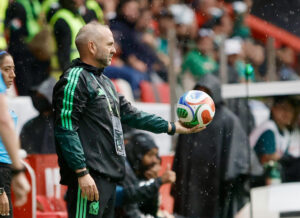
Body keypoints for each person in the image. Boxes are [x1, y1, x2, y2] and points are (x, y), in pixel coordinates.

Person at [52, 21, 204, 218]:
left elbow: (133, 114)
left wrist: (172, 127)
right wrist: (81, 172)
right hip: (90, 178)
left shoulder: (104, 81)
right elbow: (65, 127)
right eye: (109, 44)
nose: (114, 50)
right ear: (91, 46)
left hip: (109, 178)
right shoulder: (75, 78)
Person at [172, 74, 261, 218]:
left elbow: (240, 160)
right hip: (191, 185)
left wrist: (230, 179)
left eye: (206, 93)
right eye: (199, 93)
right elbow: (180, 157)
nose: (202, 97)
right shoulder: (189, 118)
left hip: (216, 187)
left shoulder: (228, 120)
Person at [115, 132, 176, 217]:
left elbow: (151, 211)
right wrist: (158, 182)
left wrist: (153, 182)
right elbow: (131, 212)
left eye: (156, 155)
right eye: (150, 155)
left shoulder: (141, 170)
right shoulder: (124, 171)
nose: (155, 160)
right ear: (137, 155)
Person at [0, 52, 30, 216]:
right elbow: (4, 122)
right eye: (6, 69)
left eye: (13, 69)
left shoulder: (3, 98)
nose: (13, 74)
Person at [20, 77, 56, 154]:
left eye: (41, 96)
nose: (37, 99)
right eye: (36, 97)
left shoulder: (65, 124)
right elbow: (26, 150)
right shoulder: (30, 125)